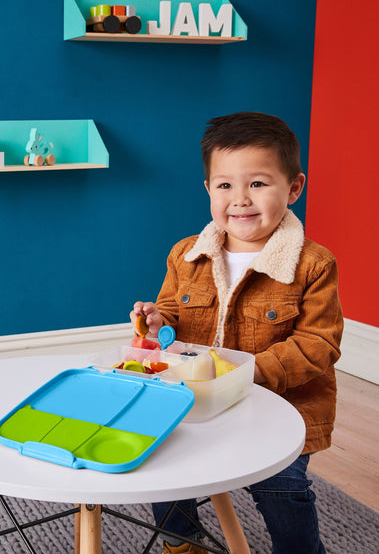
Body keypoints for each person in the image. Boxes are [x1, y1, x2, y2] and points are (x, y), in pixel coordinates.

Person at [129, 112, 343, 554]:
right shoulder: (186, 254)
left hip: (280, 407)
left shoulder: (314, 264)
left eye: (258, 184)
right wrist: (155, 322)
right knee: (162, 463)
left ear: (295, 188)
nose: (240, 200)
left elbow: (318, 344)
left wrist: (243, 373)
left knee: (281, 489)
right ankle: (181, 542)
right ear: (208, 189)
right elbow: (171, 313)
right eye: (225, 185)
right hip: (192, 397)